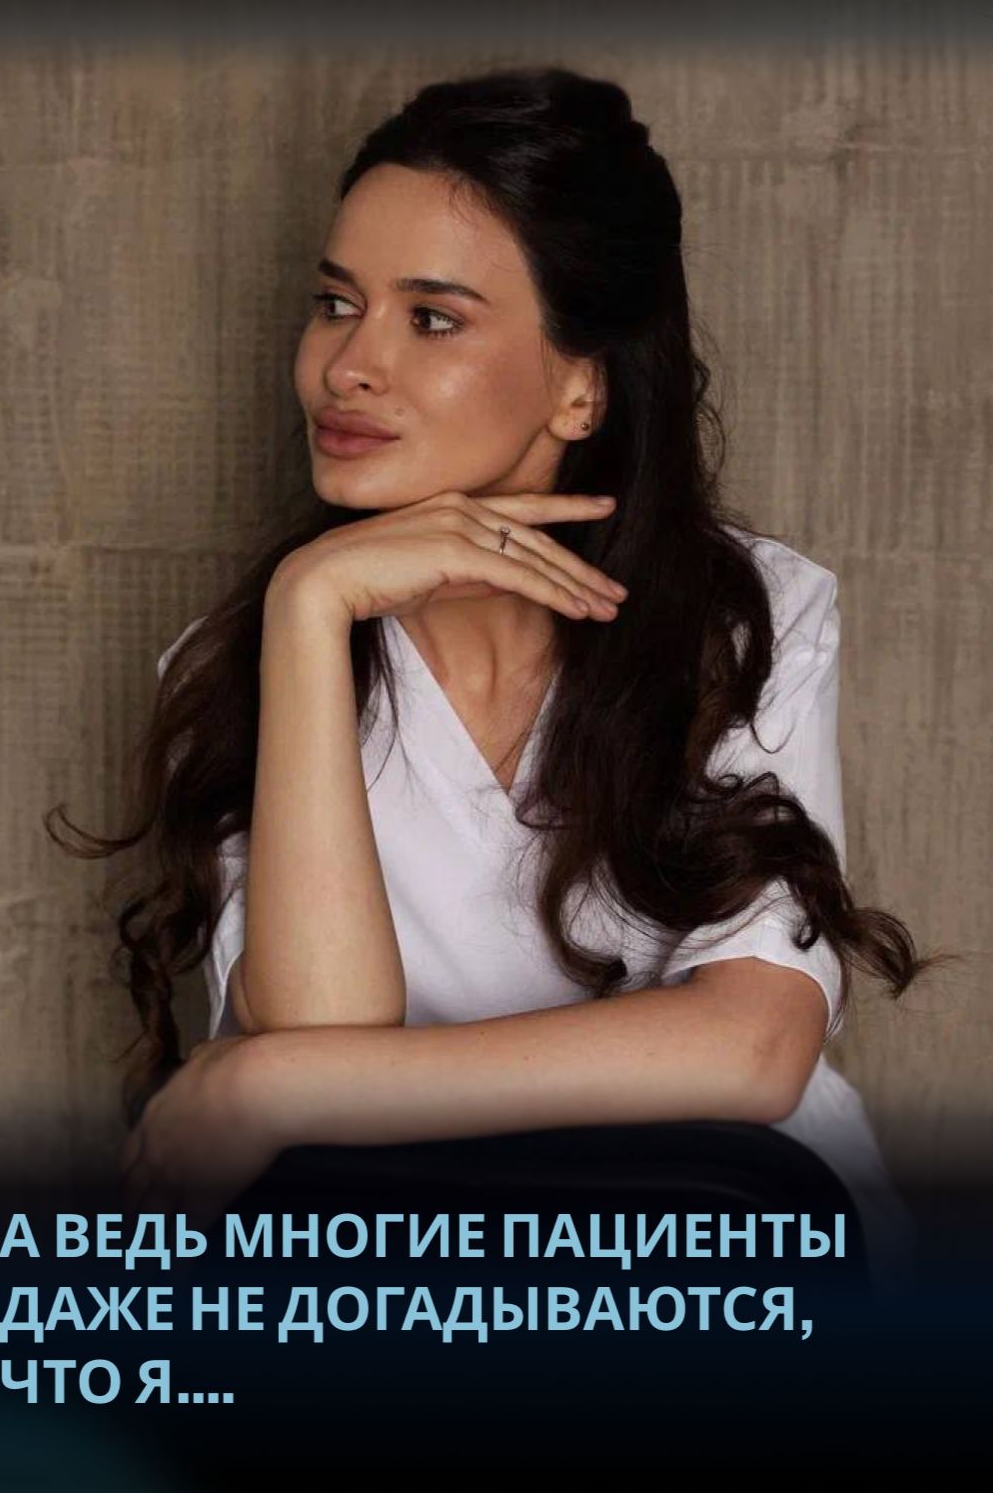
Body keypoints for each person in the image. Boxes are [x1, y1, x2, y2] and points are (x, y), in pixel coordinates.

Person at [56, 68, 948, 1278]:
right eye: (334, 304)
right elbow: (321, 1091)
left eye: (432, 319)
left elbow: (753, 1050)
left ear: (581, 385)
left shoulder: (748, 616)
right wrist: (311, 610)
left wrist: (269, 1082)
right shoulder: (245, 660)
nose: (347, 366)